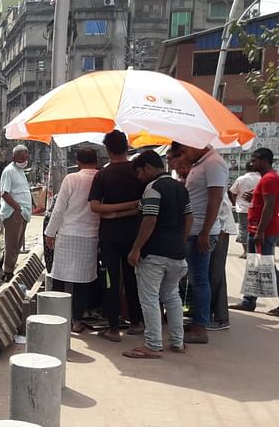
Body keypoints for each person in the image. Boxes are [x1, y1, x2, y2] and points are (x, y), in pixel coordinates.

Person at [123, 150, 193, 358]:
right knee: (172, 297)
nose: (139, 178)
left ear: (146, 167)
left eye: (139, 173)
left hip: (154, 254)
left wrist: (136, 248)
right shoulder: (181, 188)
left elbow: (149, 219)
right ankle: (178, 342)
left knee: (150, 298)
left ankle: (153, 345)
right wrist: (180, 240)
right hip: (177, 254)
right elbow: (189, 218)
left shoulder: (153, 188)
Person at [167, 142, 228, 344]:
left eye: (185, 151)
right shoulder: (201, 164)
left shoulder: (213, 163)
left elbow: (215, 198)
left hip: (200, 232)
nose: (183, 155)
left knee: (199, 280)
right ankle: (196, 321)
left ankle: (200, 328)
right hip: (193, 230)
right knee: (192, 280)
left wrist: (205, 231)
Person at [88, 130, 145, 342]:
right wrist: (131, 207)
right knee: (133, 278)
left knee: (111, 280)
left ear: (108, 150)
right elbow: (144, 205)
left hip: (110, 235)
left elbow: (95, 207)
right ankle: (137, 322)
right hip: (135, 235)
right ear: (127, 146)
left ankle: (113, 328)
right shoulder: (138, 172)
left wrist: (112, 212)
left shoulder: (102, 175)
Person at [44, 148, 100, 332]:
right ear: (96, 160)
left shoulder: (72, 179)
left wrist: (50, 233)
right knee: (83, 281)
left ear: (78, 162)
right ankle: (77, 320)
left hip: (68, 234)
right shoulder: (101, 178)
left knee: (60, 277)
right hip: (90, 235)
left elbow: (59, 209)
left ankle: (58, 318)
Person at [230, 147, 279, 316]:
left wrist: (260, 232)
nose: (252, 163)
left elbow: (270, 206)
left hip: (263, 231)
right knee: (256, 267)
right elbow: (267, 203)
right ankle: (248, 301)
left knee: (267, 268)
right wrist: (254, 199)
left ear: (264, 161)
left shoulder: (269, 179)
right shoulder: (266, 179)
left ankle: (249, 301)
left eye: (255, 160)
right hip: (258, 229)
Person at [0, 145, 32, 281]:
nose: (24, 160)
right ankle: (8, 271)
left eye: (26, 158)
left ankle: (11, 269)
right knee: (12, 244)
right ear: (13, 158)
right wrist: (17, 208)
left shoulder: (20, 171)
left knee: (17, 244)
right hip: (14, 213)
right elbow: (5, 193)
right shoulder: (9, 171)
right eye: (21, 158)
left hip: (23, 212)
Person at [208, 194, 238, 330]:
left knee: (215, 274)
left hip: (219, 230)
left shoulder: (212, 179)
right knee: (211, 274)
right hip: (216, 229)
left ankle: (221, 318)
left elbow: (219, 206)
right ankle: (208, 314)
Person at [229, 163, 260, 258]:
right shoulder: (260, 179)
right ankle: (255, 251)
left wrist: (234, 203)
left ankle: (246, 251)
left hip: (242, 208)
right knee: (256, 229)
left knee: (243, 229)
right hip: (256, 208)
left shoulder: (241, 179)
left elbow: (232, 192)